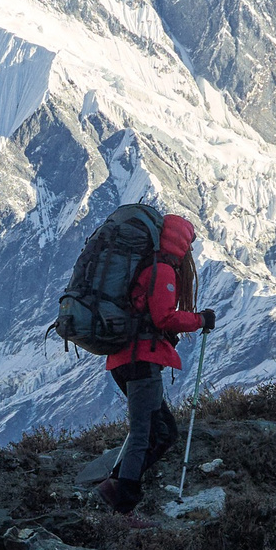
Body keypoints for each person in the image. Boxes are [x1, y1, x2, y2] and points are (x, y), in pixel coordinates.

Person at [96, 213, 212, 513]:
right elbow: (164, 317)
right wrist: (200, 319)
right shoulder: (162, 271)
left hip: (124, 360)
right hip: (142, 360)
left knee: (162, 432)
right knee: (146, 433)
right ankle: (124, 506)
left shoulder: (146, 267)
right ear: (182, 244)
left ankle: (116, 484)